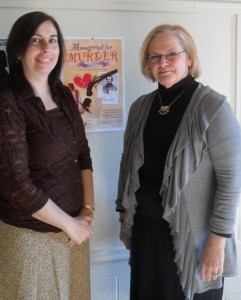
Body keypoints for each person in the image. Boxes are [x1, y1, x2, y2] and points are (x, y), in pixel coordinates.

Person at [115, 24, 241, 300]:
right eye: (155, 57)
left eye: (171, 54)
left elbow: (232, 180)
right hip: (147, 236)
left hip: (194, 242)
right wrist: (124, 215)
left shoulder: (213, 108)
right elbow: (128, 165)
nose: (163, 63)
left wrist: (216, 243)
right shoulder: (140, 107)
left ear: (190, 58)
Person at [0, 11, 95, 300]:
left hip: (73, 236)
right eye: (36, 40)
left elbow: (83, 153)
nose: (47, 49)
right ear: (17, 50)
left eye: (53, 40)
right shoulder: (8, 102)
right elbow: (17, 185)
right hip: (30, 239)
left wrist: (87, 214)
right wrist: (72, 225)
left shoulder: (63, 94)